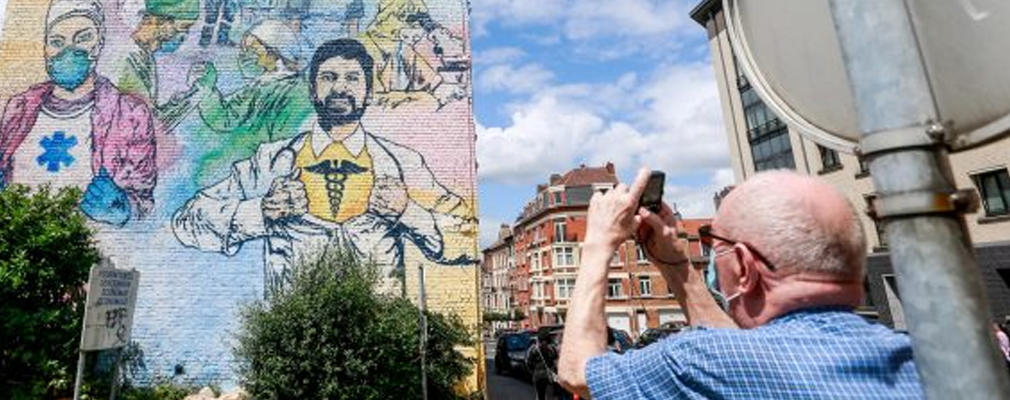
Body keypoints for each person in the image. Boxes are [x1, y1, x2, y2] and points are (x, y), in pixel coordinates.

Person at [558, 169, 924, 399]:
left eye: (716, 244)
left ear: (745, 267)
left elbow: (578, 372)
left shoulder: (699, 360)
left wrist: (598, 243)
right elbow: (737, 348)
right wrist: (676, 265)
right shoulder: (922, 358)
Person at [172, 38, 475, 294]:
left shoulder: (402, 163)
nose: (340, 87)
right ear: (312, 90)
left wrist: (408, 211)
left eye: (352, 78)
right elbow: (186, 222)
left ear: (369, 93)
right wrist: (261, 212)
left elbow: (467, 240)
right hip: (292, 334)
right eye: (328, 77)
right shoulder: (271, 161)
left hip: (379, 337)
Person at [0, 0, 157, 225]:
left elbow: (144, 200)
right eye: (57, 42)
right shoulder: (20, 107)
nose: (69, 50)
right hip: (21, 235)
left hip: (83, 241)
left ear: (99, 43)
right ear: (45, 49)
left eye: (83, 38)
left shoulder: (129, 113)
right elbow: (0, 169)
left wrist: (124, 210)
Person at [192, 19, 313, 169]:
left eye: (253, 50)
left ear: (275, 52)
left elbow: (285, 146)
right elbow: (225, 117)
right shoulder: (260, 85)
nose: (246, 57)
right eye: (245, 51)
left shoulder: (296, 93)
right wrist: (207, 89)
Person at [118, 0, 203, 131]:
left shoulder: (145, 55)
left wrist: (176, 102)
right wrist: (195, 97)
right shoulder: (129, 60)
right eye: (184, 27)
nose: (184, 34)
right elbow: (146, 124)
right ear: (163, 22)